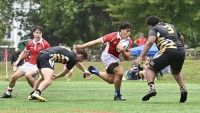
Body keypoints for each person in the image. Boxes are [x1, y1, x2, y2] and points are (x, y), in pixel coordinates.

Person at [74, 22, 133, 101]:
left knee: (111, 80)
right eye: (127, 31)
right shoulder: (112, 36)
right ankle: (117, 95)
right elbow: (95, 42)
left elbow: (127, 58)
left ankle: (93, 70)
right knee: (119, 73)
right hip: (107, 56)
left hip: (115, 58)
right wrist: (81, 46)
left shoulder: (129, 41)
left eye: (130, 31)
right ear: (121, 30)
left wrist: (122, 50)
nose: (129, 33)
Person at [135, 15, 187, 103]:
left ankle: (151, 89)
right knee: (176, 71)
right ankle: (183, 89)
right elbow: (181, 38)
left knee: (150, 68)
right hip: (181, 51)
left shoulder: (154, 28)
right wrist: (180, 48)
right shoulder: (171, 26)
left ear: (150, 25)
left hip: (168, 49)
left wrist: (140, 56)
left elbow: (150, 41)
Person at [0, 26, 50, 98]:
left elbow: (49, 55)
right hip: (29, 64)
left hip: (38, 65)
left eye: (40, 33)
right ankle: (8, 93)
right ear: (33, 33)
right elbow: (24, 52)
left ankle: (36, 92)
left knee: (28, 75)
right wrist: (17, 61)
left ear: (42, 34)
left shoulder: (45, 44)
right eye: (37, 33)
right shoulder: (30, 43)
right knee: (14, 77)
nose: (38, 34)